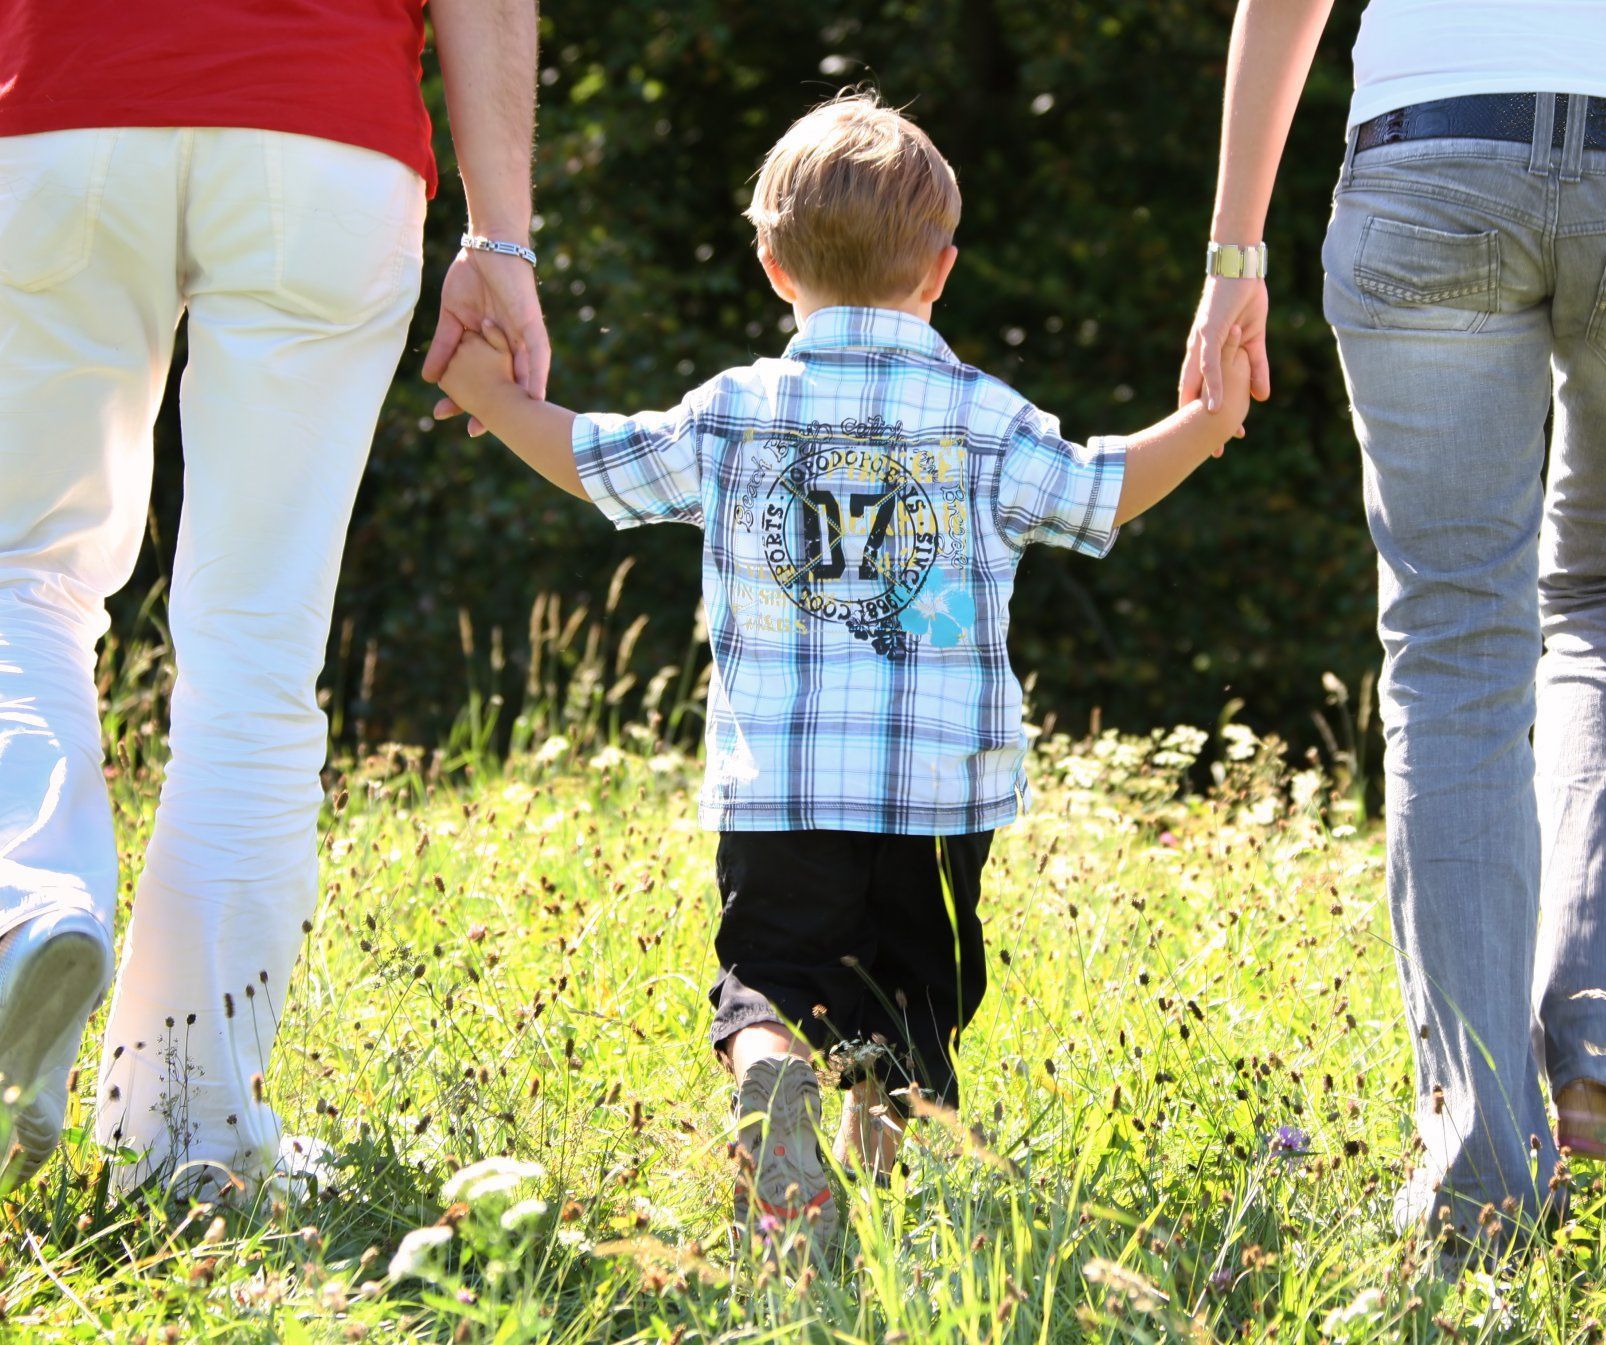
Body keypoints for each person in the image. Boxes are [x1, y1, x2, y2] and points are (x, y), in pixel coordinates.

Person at [432, 93, 1252, 1248]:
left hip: (781, 797)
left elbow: (587, 456)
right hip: (936, 802)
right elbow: (1102, 485)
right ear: (940, 270)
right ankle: (882, 1203)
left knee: (769, 977)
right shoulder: (984, 419)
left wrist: (485, 392)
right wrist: (1207, 422)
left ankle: (771, 1076)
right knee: (914, 1009)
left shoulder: (732, 415)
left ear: (773, 266)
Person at [1181, 0, 1606, 1251]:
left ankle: (1475, 1164)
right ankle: (1600, 1079)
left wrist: (1232, 253)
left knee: (1455, 640)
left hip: (1432, 152)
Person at [0, 0, 547, 1198]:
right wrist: (500, 239)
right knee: (254, 647)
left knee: (18, 575)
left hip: (61, 104)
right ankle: (187, 1136)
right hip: (325, 138)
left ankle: (22, 907)